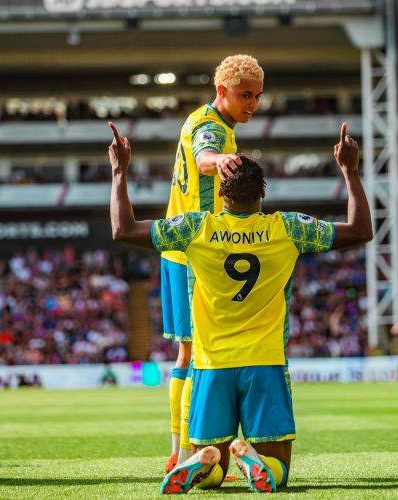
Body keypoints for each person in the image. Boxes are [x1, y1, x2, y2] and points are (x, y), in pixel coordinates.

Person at [107, 120, 372, 493]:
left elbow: (124, 229)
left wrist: (120, 171)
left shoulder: (195, 228)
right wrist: (350, 171)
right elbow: (361, 230)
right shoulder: (288, 228)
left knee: (211, 479)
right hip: (264, 362)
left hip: (212, 364)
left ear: (222, 190)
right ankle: (257, 464)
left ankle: (204, 464)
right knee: (278, 467)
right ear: (261, 193)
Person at [159, 55, 264, 472]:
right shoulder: (212, 128)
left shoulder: (205, 120)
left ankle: (178, 449)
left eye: (257, 95)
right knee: (195, 355)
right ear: (221, 92)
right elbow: (205, 154)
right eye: (244, 95)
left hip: (180, 249)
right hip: (194, 253)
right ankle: (184, 454)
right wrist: (218, 160)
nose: (252, 103)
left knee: (189, 353)